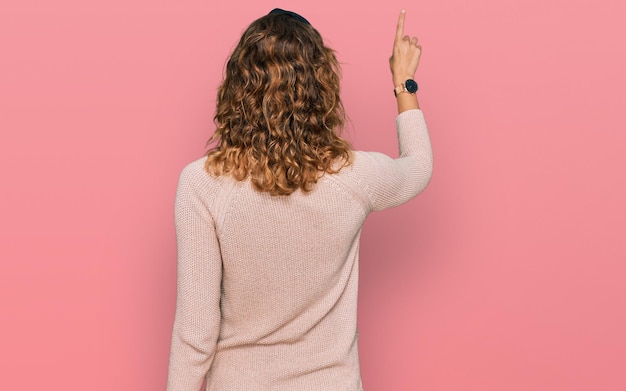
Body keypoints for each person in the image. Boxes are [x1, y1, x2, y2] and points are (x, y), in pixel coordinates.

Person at [167, 8, 432, 391]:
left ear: (238, 89)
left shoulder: (202, 185)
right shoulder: (353, 177)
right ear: (320, 89)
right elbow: (418, 166)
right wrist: (403, 81)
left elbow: (195, 334)